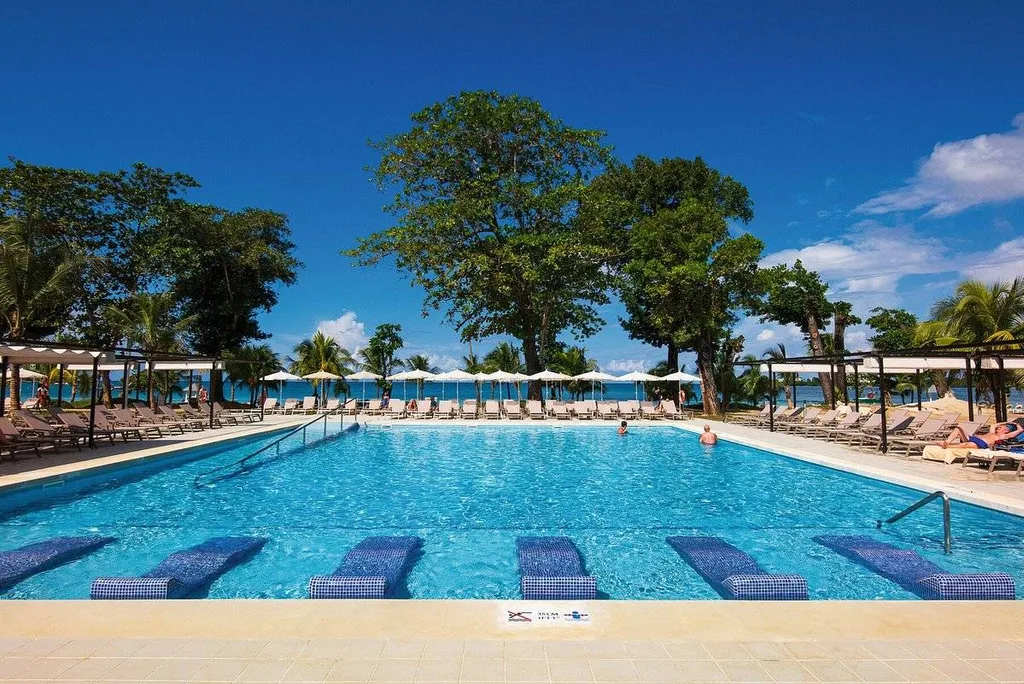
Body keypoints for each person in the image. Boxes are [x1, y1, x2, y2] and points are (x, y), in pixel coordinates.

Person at [940, 422, 1024, 449]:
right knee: (958, 428)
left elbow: (1021, 430)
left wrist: (1015, 424)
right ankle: (947, 442)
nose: (998, 427)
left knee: (967, 444)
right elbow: (993, 425)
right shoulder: (992, 432)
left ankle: (948, 446)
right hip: (974, 438)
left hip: (981, 444)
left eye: (1001, 427)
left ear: (1006, 430)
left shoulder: (1004, 436)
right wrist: (1005, 422)